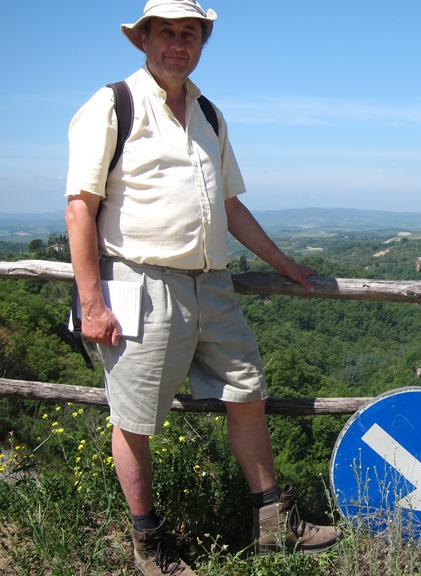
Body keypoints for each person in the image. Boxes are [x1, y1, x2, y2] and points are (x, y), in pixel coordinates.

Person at [64, 1, 340, 574]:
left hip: (213, 284)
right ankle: (151, 545)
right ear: (142, 40)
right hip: (141, 282)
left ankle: (271, 522)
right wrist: (92, 302)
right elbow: (79, 209)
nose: (177, 43)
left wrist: (285, 264)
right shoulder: (112, 104)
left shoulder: (209, 113)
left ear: (201, 43)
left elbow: (229, 206)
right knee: (135, 419)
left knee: (248, 393)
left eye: (189, 33)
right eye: (165, 32)